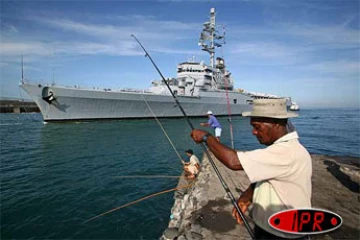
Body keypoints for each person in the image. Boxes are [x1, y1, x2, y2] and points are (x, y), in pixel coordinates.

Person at [190, 99, 312, 239]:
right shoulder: (287, 148)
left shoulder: (285, 153)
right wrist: (247, 195)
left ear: (276, 124)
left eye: (258, 126)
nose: (254, 132)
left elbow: (234, 162)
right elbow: (270, 177)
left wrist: (206, 137)